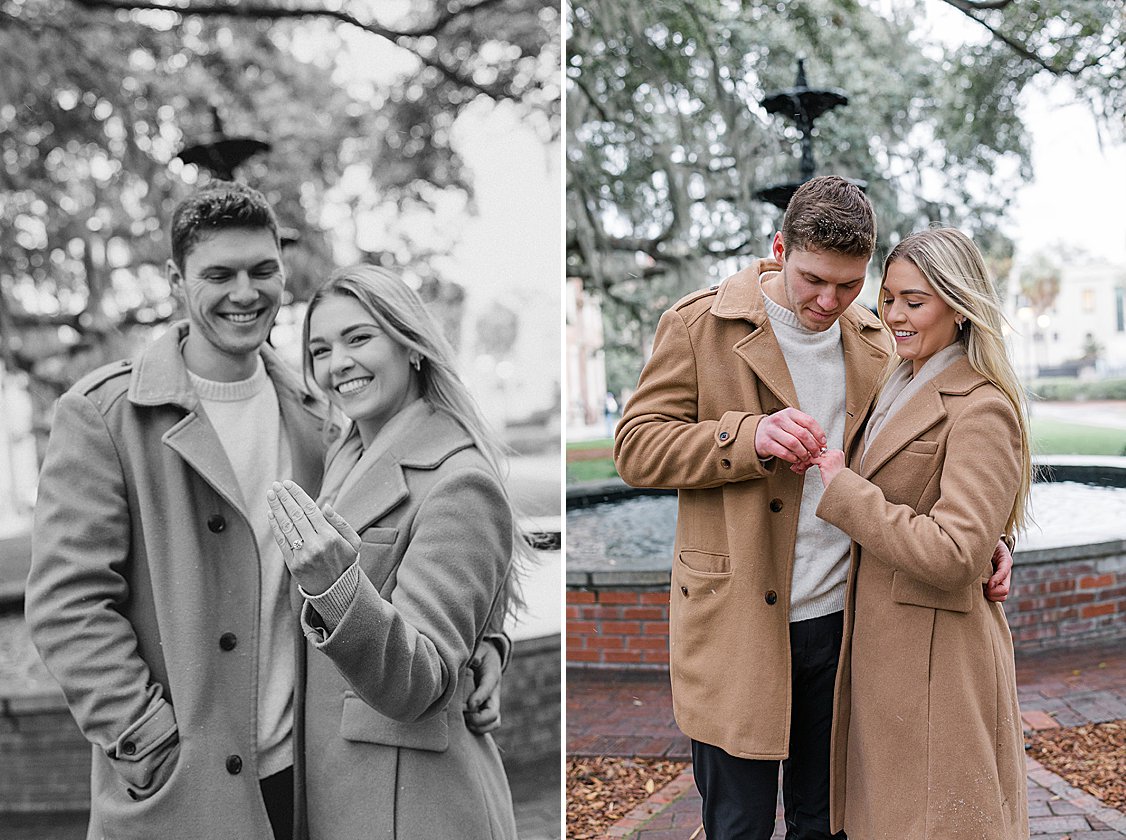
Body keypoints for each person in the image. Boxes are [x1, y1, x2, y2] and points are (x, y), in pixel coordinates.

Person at [25, 181, 504, 840]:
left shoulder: (323, 420)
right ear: (175, 279)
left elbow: (436, 548)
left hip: (310, 785)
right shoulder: (104, 416)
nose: (245, 293)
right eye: (219, 274)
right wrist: (148, 743)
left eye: (262, 270)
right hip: (181, 787)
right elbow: (66, 605)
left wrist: (485, 646)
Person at [613, 176, 1012, 840]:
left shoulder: (878, 338)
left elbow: (915, 461)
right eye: (813, 280)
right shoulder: (696, 323)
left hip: (846, 626)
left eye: (850, 284)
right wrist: (744, 436)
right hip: (734, 625)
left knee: (825, 824)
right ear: (778, 249)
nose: (829, 301)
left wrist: (986, 536)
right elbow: (635, 447)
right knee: (737, 826)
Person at [264, 264, 523, 839]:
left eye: (359, 338)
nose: (338, 364)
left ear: (411, 346)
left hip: (413, 804)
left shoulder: (460, 480)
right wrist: (488, 643)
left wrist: (337, 589)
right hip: (344, 792)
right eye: (321, 349)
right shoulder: (343, 453)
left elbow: (423, 677)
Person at [810, 227, 1030, 838]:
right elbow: (967, 524)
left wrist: (843, 489)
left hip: (938, 666)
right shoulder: (896, 380)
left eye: (916, 300)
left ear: (957, 307)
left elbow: (957, 552)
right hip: (889, 657)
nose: (896, 316)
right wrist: (997, 541)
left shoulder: (981, 406)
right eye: (888, 299)